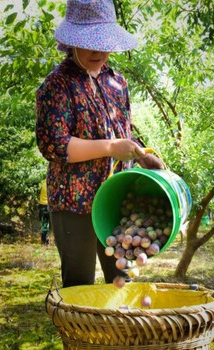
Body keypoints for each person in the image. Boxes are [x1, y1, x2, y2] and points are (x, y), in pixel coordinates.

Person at [35, 0, 163, 288]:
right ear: (72, 41)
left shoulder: (116, 82)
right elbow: (54, 145)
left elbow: (123, 129)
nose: (98, 51)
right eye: (89, 42)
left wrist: (142, 155)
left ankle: (122, 332)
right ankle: (81, 334)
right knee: (80, 286)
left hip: (115, 198)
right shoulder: (58, 85)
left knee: (123, 279)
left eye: (103, 42)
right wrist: (109, 147)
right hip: (74, 203)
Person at [39, 179, 51, 245]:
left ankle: (44, 241)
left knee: (44, 224)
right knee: (54, 224)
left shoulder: (43, 182)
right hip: (50, 206)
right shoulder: (53, 183)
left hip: (42, 206)